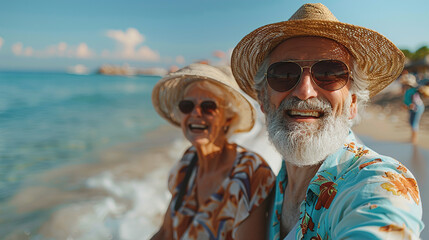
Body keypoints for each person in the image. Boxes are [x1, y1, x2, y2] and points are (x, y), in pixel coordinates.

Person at [230, 3, 424, 239]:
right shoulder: (268, 193)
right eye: (284, 75)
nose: (304, 91)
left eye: (329, 73)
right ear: (263, 99)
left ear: (352, 103)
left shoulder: (380, 183)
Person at [150, 63, 275, 239]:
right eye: (187, 106)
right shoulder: (187, 162)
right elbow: (166, 233)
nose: (196, 113)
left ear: (229, 118)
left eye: (208, 106)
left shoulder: (251, 174)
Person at [400, 70, 426, 144]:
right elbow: (406, 100)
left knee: (414, 123)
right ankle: (412, 138)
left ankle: (414, 140)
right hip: (412, 108)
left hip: (417, 108)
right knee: (411, 122)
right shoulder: (408, 90)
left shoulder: (412, 91)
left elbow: (415, 99)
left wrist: (411, 105)